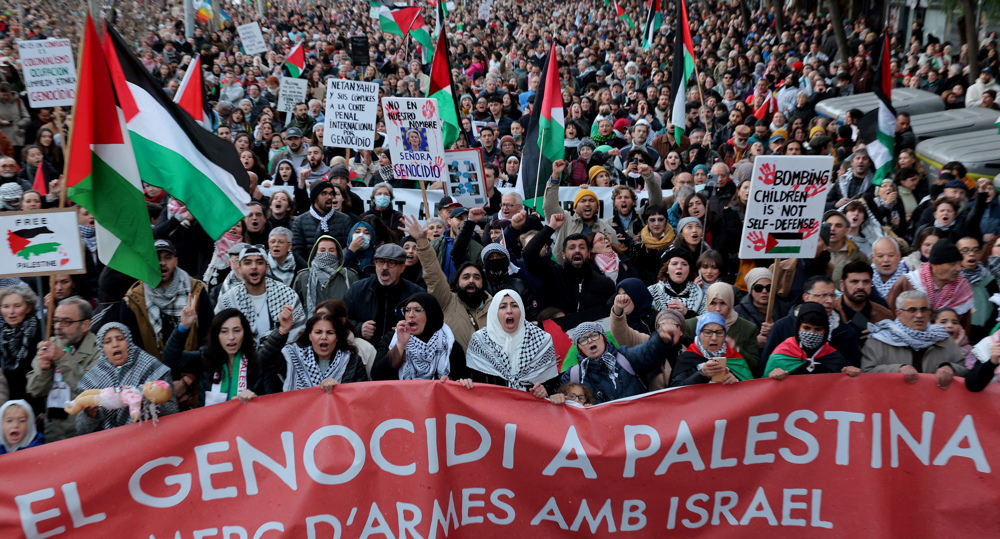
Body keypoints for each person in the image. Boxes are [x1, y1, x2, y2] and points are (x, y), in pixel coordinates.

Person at [402, 215, 491, 350]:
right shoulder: (447, 301)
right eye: (466, 277)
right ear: (456, 283)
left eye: (477, 277)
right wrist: (421, 241)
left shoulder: (495, 307)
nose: (471, 280)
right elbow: (433, 274)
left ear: (483, 283)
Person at [162, 304, 277, 406]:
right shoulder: (205, 358)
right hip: (211, 428)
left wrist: (256, 400)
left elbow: (273, 405)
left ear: (245, 333)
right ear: (216, 335)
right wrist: (184, 326)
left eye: (236, 330)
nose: (231, 337)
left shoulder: (259, 363)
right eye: (224, 331)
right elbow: (170, 358)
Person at [75, 323, 179, 433]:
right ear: (102, 348)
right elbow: (81, 430)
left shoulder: (153, 368)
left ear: (129, 342)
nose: (115, 345)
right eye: (108, 341)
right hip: (112, 444)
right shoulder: (92, 379)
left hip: (150, 437)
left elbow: (172, 411)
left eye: (120, 339)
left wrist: (149, 401)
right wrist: (91, 414)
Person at [121, 240, 213, 361]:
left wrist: (190, 376)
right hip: (152, 376)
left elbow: (208, 335)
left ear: (175, 262)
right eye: (157, 258)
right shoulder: (133, 300)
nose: (162, 263)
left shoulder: (196, 290)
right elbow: (133, 347)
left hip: (191, 373)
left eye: (168, 258)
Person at [26, 297, 100, 442]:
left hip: (86, 431)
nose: (58, 327)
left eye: (66, 322)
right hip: (53, 430)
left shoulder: (99, 348)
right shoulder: (49, 344)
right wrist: (44, 370)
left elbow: (90, 388)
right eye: (56, 320)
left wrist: (62, 358)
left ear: (85, 325)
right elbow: (34, 390)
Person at [861, 291, 968, 388]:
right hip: (891, 404)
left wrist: (951, 368)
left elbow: (964, 370)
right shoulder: (879, 340)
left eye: (924, 309)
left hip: (934, 406)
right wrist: (897, 369)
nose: (919, 315)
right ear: (899, 313)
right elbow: (866, 373)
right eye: (912, 310)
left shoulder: (944, 339)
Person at [465, 290, 560, 396]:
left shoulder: (542, 340)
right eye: (503, 307)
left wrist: (545, 390)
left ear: (522, 310)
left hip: (531, 409)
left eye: (514, 305)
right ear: (494, 312)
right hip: (491, 408)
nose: (509, 311)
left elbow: (554, 385)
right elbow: (471, 382)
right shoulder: (480, 341)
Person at [560, 318, 677, 404]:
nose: (590, 341)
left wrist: (660, 339)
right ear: (579, 347)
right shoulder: (573, 375)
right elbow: (560, 398)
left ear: (604, 338)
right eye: (583, 339)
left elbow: (646, 353)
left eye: (594, 335)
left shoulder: (624, 356)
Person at [761, 276, 863, 373]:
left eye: (833, 295)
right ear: (806, 297)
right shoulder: (782, 326)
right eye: (823, 295)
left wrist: (849, 370)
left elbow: (853, 368)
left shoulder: (847, 332)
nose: (830, 301)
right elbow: (766, 367)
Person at [523, 213, 616, 316]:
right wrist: (551, 227)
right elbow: (528, 254)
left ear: (589, 253)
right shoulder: (553, 274)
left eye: (582, 247)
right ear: (563, 255)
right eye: (571, 248)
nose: (577, 251)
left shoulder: (604, 284)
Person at [258, 309, 369, 392]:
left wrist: (341, 389)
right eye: (318, 332)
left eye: (330, 333)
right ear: (310, 336)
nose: (324, 337)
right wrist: (282, 331)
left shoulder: (352, 361)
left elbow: (361, 395)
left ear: (337, 337)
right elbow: (266, 361)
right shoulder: (293, 356)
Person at [216, 246, 306, 345]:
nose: (254, 267)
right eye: (247, 263)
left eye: (259, 262)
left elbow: (297, 335)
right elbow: (218, 333)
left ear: (267, 268)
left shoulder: (287, 296)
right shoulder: (229, 300)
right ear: (240, 268)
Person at [372, 293, 467, 380]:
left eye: (417, 310)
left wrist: (449, 381)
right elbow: (376, 375)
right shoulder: (392, 338)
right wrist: (400, 346)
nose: (410, 315)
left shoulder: (448, 344)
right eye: (407, 310)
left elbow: (461, 380)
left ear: (431, 314)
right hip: (401, 397)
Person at [343, 243, 424, 345]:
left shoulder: (415, 293)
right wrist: (359, 327)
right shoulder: (357, 289)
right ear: (375, 264)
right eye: (381, 262)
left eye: (391, 263)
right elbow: (340, 319)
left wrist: (408, 329)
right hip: (366, 352)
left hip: (403, 352)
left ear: (402, 268)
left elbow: (425, 325)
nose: (385, 267)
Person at [888, 238, 974, 332]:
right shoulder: (907, 283)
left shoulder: (963, 290)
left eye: (959, 264)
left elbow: (965, 329)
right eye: (952, 264)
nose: (959, 269)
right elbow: (889, 316)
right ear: (934, 265)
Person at [544, 160, 620, 261]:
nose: (587, 204)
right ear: (575, 207)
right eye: (583, 201)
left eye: (591, 201)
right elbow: (549, 205)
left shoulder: (610, 232)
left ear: (597, 207)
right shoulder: (564, 221)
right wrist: (555, 175)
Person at [764, 302, 859, 379]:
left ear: (825, 331)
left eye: (817, 329)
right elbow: (764, 389)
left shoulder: (832, 356)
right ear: (798, 328)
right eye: (806, 328)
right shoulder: (781, 355)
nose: (811, 333)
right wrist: (772, 377)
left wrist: (852, 373)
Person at [684, 283, 761, 371]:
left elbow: (754, 365)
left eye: (723, 303)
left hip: (733, 381)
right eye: (713, 303)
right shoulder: (691, 325)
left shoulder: (748, 328)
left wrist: (737, 350)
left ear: (730, 303)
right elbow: (683, 362)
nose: (718, 309)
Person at [670, 312, 751, 386]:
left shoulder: (735, 358)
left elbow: (751, 390)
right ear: (699, 334)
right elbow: (675, 389)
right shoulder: (687, 358)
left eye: (719, 333)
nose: (714, 338)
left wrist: (736, 382)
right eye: (708, 332)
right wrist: (702, 374)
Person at [292, 236, 359, 314]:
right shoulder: (303, 277)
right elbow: (294, 307)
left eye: (331, 250)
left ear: (338, 253)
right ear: (315, 253)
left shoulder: (349, 276)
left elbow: (358, 306)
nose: (326, 253)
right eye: (322, 250)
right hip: (312, 324)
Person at [0, 285, 42, 406]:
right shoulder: (1, 333)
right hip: (5, 402)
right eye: (6, 307)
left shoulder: (40, 331)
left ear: (28, 308)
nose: (11, 312)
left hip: (33, 401)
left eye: (17, 306)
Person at [291, 180, 353, 260]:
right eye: (324, 193)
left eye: (331, 193)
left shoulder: (345, 219)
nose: (330, 197)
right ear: (315, 197)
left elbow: (347, 249)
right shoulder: (299, 222)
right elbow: (298, 254)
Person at [648, 248, 704, 317]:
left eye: (684, 264)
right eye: (674, 264)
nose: (679, 267)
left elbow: (705, 321)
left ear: (689, 270)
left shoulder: (699, 293)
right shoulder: (652, 291)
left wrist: (686, 312)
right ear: (666, 269)